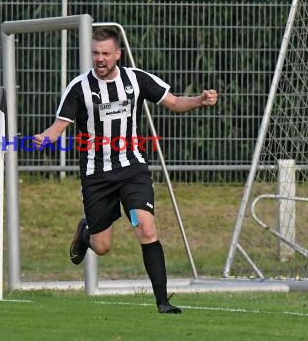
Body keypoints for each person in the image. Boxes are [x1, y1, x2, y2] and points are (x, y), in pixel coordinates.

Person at [33, 26, 218, 314]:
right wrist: (45, 137)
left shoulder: (136, 79)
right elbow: (59, 127)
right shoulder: (79, 87)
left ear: (117, 54)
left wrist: (199, 101)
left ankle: (162, 302)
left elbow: (173, 102)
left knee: (145, 227)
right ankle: (85, 234)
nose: (100, 59)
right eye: (95, 53)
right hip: (96, 175)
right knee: (103, 246)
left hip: (133, 169)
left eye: (105, 53)